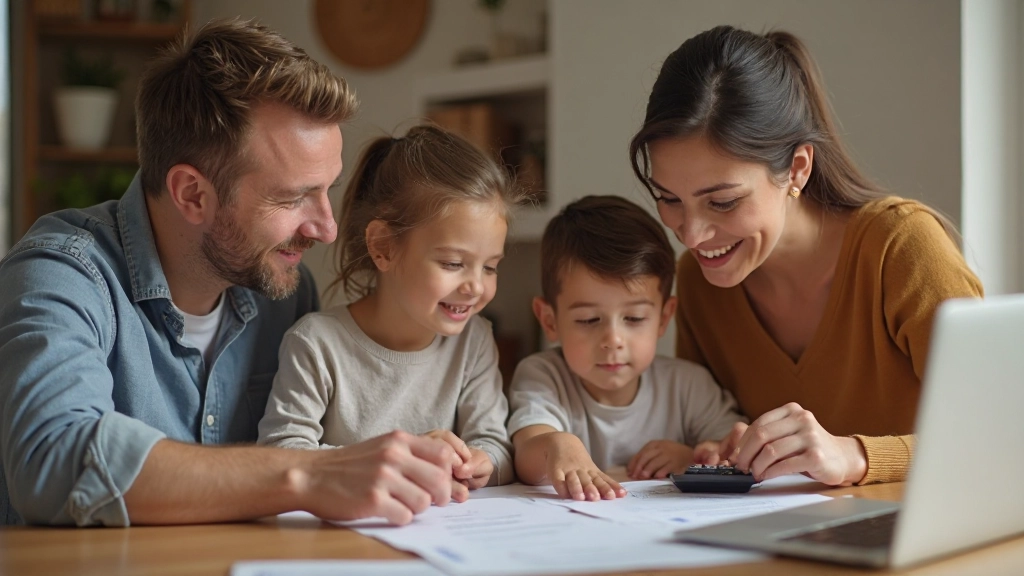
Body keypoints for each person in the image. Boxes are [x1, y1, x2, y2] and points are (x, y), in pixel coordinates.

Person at [0, 19, 456, 527]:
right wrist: (306, 474)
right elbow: (50, 456)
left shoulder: (286, 291)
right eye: (292, 197)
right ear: (192, 194)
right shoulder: (60, 274)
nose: (327, 229)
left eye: (327, 190)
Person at [628, 26, 983, 487]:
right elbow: (711, 430)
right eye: (669, 198)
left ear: (797, 168)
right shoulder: (698, 281)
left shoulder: (900, 248)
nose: (691, 235)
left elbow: (1001, 430)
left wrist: (855, 456)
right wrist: (717, 449)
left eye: (723, 202)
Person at [258, 126, 524, 497]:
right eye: (452, 263)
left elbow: (497, 445)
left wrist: (480, 463)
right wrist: (387, 462)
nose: (476, 286)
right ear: (383, 247)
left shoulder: (474, 340)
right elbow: (280, 451)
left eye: (491, 267)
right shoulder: (316, 343)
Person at [507, 196, 747, 501]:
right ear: (549, 320)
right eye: (588, 319)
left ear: (663, 318)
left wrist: (692, 458)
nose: (613, 339)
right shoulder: (544, 376)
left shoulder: (689, 385)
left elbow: (732, 450)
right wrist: (557, 445)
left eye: (634, 318)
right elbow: (527, 455)